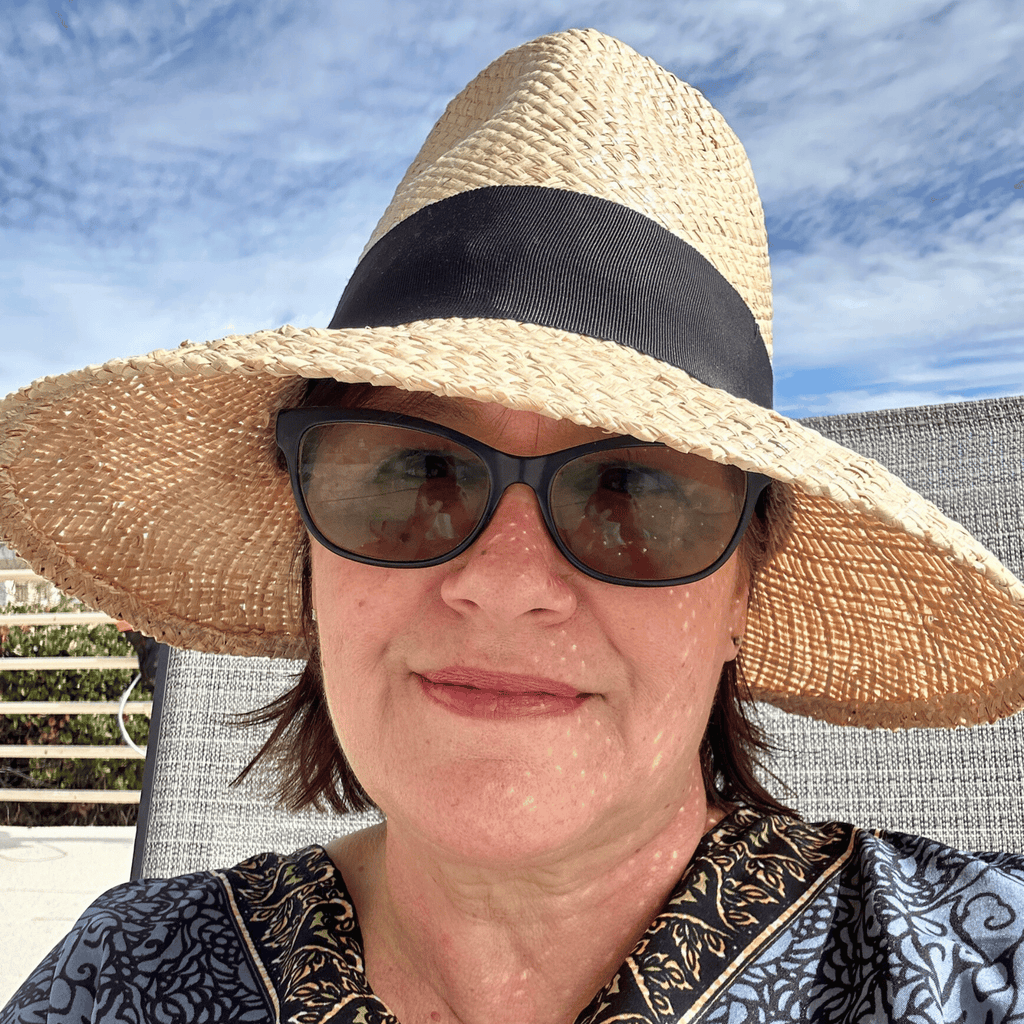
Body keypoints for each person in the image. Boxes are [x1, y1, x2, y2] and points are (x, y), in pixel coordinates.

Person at [2, 28, 1024, 1024]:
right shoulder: (125, 974)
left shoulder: (968, 962)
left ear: (740, 593)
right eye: (416, 472)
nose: (504, 580)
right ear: (312, 555)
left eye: (630, 490)